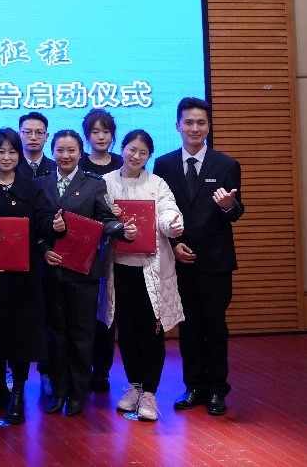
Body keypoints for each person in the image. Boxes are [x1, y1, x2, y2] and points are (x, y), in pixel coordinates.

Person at [155, 97, 243, 417]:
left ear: (209, 126)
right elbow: (160, 212)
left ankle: (218, 389)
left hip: (215, 261)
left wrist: (229, 207)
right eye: (189, 122)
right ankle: (193, 386)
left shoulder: (226, 165)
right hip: (179, 259)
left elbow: (236, 211)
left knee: (215, 326)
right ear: (177, 126)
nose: (195, 128)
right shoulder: (163, 165)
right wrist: (174, 243)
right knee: (189, 327)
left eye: (201, 122)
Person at [0, 127, 52, 426]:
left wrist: (54, 225)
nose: (6, 157)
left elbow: (42, 224)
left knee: (21, 336)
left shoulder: (32, 188)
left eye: (12, 151)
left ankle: (17, 392)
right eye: (1, 151)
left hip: (24, 276)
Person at [36, 130, 122, 416]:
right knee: (55, 335)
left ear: (80, 152)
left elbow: (105, 219)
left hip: (83, 273)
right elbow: (34, 224)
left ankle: (78, 393)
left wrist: (120, 228)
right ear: (52, 151)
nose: (65, 155)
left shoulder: (94, 184)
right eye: (60, 150)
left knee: (82, 335)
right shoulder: (40, 183)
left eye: (71, 150)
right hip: (51, 270)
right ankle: (59, 390)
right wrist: (44, 247)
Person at [101, 129, 184, 422]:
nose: (136, 156)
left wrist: (172, 224)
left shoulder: (157, 183)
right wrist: (109, 216)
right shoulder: (106, 182)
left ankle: (150, 392)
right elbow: (98, 217)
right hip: (119, 269)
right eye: (132, 150)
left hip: (151, 270)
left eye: (143, 152)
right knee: (126, 331)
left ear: (149, 156)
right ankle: (134, 386)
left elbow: (168, 212)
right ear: (121, 149)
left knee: (152, 331)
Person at [78, 107, 120, 393]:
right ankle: (81, 368)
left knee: (107, 311)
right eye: (95, 131)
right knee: (84, 312)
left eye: (105, 131)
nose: (101, 136)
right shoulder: (77, 163)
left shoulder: (122, 162)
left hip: (115, 246)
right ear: (87, 135)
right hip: (83, 245)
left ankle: (102, 370)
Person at [17, 112, 56, 178]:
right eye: (28, 132)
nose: (33, 138)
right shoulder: (11, 168)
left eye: (39, 132)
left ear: (46, 136)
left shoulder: (56, 169)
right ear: (19, 135)